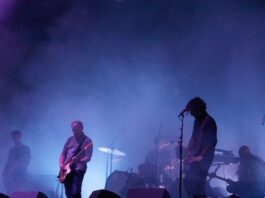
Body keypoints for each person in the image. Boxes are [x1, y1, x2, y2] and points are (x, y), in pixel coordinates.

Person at [183, 97, 217, 198]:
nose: (192, 114)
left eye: (193, 111)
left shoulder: (210, 122)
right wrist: (188, 151)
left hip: (205, 157)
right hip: (196, 155)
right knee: (188, 182)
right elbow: (193, 137)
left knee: (199, 185)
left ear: (198, 109)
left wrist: (200, 157)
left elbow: (211, 142)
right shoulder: (197, 121)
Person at [59, 120, 93, 198]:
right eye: (73, 130)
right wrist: (61, 164)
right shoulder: (70, 139)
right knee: (68, 192)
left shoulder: (87, 141)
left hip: (79, 169)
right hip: (66, 168)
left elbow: (88, 157)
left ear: (82, 128)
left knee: (75, 191)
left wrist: (78, 160)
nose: (74, 131)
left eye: (76, 129)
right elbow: (63, 153)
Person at [2, 130, 31, 195]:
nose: (14, 139)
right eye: (13, 137)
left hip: (20, 176)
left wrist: (12, 168)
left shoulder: (25, 148)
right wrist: (5, 173)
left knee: (19, 193)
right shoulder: (12, 149)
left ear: (20, 137)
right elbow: (9, 162)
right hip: (11, 177)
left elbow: (24, 162)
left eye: (16, 137)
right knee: (10, 193)